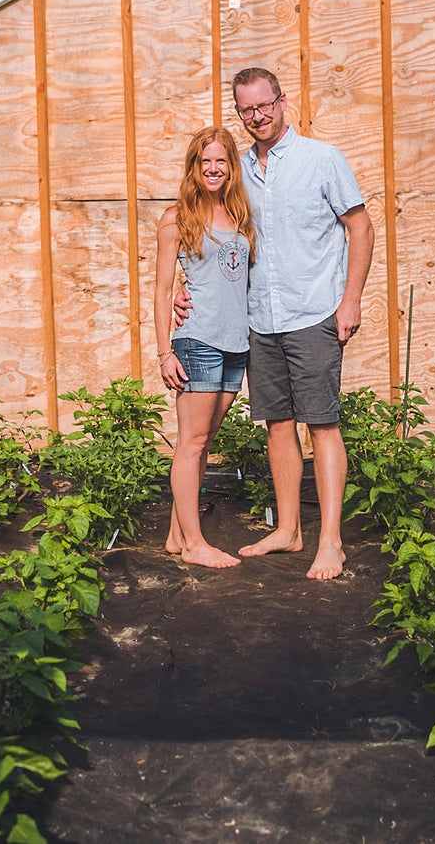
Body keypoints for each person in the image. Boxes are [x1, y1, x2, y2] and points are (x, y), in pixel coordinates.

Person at [179, 67, 374, 581]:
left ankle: (331, 542)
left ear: (282, 101)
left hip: (313, 311)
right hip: (259, 320)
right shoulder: (237, 170)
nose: (257, 116)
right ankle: (289, 530)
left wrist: (350, 299)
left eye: (264, 105)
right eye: (246, 109)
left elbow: (360, 226)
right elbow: (208, 232)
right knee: (278, 424)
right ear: (239, 113)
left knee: (322, 424)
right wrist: (183, 283)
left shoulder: (321, 159)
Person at [153, 126, 255, 568]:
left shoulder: (240, 214)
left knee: (205, 440)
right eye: (205, 161)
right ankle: (195, 545)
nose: (213, 168)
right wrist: (164, 351)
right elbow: (162, 290)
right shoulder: (176, 218)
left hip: (236, 343)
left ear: (231, 167)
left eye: (221, 161)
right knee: (192, 443)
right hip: (198, 339)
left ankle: (177, 535)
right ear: (194, 167)